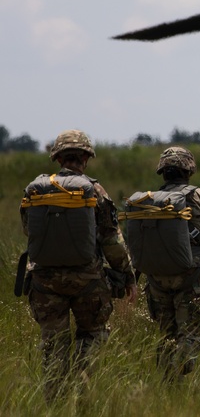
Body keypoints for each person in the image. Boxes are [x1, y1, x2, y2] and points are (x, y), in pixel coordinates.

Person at [20, 129, 137, 400]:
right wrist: (127, 276)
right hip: (88, 280)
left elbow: (29, 231)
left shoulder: (35, 189)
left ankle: (55, 401)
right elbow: (112, 241)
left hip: (44, 281)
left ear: (58, 157)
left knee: (53, 345)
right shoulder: (94, 190)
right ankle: (82, 393)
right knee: (92, 335)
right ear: (86, 158)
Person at [123, 146, 200, 380]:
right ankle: (179, 369)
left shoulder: (148, 201)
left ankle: (167, 384)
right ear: (189, 170)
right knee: (192, 333)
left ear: (163, 172)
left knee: (165, 335)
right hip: (191, 277)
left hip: (156, 278)